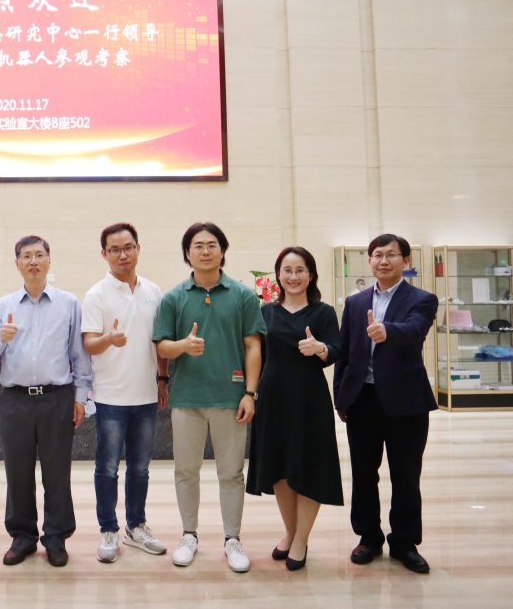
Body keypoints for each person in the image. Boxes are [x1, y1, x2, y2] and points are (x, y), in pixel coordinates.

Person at [153, 222, 265, 572]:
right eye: (198, 245)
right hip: (187, 398)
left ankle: (233, 539)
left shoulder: (243, 295)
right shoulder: (173, 297)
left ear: (222, 251)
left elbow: (253, 346)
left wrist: (250, 392)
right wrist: (183, 346)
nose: (205, 251)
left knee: (231, 473)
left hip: (231, 398)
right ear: (187, 254)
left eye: (212, 244)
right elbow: (162, 346)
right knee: (186, 471)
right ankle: (189, 535)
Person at [0, 235, 92, 567]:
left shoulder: (69, 303)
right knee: (18, 471)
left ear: (48, 260)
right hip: (16, 400)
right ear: (17, 263)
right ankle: (23, 536)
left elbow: (79, 356)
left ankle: (56, 537)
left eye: (39, 255)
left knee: (57, 472)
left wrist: (81, 398)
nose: (33, 261)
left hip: (57, 397)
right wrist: (1, 337)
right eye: (26, 256)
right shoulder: (3, 305)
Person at [334, 233, 438, 574]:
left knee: (406, 475)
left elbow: (416, 330)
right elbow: (345, 352)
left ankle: (404, 543)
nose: (383, 260)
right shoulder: (355, 302)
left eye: (391, 255)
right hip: (362, 400)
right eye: (377, 255)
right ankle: (369, 538)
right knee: (363, 474)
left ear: (405, 261)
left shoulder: (422, 299)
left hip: (406, 403)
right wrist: (341, 396)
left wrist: (387, 331)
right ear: (369, 260)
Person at [245, 247, 343, 571]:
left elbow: (337, 349)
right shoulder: (266, 312)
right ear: (278, 275)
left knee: (309, 466)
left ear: (311, 275)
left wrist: (320, 348)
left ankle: (301, 539)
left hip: (310, 398)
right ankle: (290, 532)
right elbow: (254, 353)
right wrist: (249, 393)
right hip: (273, 397)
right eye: (287, 270)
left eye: (300, 270)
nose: (293, 276)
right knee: (279, 468)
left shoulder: (323, 312)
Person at [81, 223, 169, 563]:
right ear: (104, 254)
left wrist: (162, 379)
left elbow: (159, 341)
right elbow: (89, 343)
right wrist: (108, 339)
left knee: (140, 468)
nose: (123, 255)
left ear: (138, 249)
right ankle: (108, 529)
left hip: (146, 395)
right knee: (107, 468)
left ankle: (136, 526)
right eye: (115, 249)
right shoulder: (96, 295)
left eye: (128, 247)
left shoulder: (153, 291)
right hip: (110, 397)